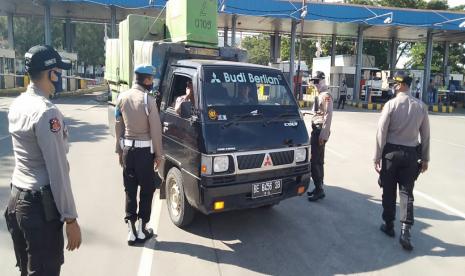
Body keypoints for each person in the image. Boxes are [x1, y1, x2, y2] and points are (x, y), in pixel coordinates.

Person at [4, 45, 81, 276]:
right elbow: (58, 171)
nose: (61, 77)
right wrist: (70, 219)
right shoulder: (47, 113)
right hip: (39, 210)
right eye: (59, 71)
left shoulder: (18, 104)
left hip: (17, 203)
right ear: (51, 74)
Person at [374, 71, 430, 251]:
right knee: (407, 193)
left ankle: (389, 225)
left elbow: (381, 132)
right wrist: (425, 159)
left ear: (401, 84)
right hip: (411, 156)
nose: (394, 86)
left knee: (389, 191)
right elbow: (426, 136)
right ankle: (405, 231)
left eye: (395, 84)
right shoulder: (421, 106)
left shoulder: (391, 105)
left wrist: (377, 156)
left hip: (391, 153)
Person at [115, 64, 163, 246]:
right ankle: (142, 230)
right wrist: (159, 155)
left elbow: (118, 125)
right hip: (144, 154)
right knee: (147, 189)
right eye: (151, 79)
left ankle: (131, 231)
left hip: (128, 151)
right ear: (146, 80)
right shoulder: (147, 100)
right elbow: (156, 130)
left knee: (129, 189)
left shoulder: (122, 97)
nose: (152, 82)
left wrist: (119, 151)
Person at [307, 71, 333, 202]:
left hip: (319, 132)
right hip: (317, 130)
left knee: (313, 161)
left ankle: (319, 189)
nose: (315, 84)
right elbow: (317, 113)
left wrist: (323, 134)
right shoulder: (320, 95)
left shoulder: (326, 95)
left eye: (317, 81)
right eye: (314, 82)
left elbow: (328, 115)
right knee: (319, 161)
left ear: (322, 81)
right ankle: (319, 187)